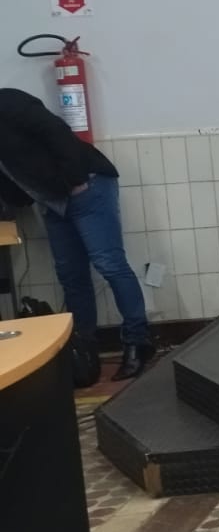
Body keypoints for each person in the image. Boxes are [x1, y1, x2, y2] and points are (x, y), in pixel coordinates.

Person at [0, 88, 152, 382]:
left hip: (86, 186)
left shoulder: (7, 101)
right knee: (71, 276)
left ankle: (138, 342)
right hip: (52, 201)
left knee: (109, 264)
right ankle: (85, 352)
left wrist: (76, 180)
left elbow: (55, 130)